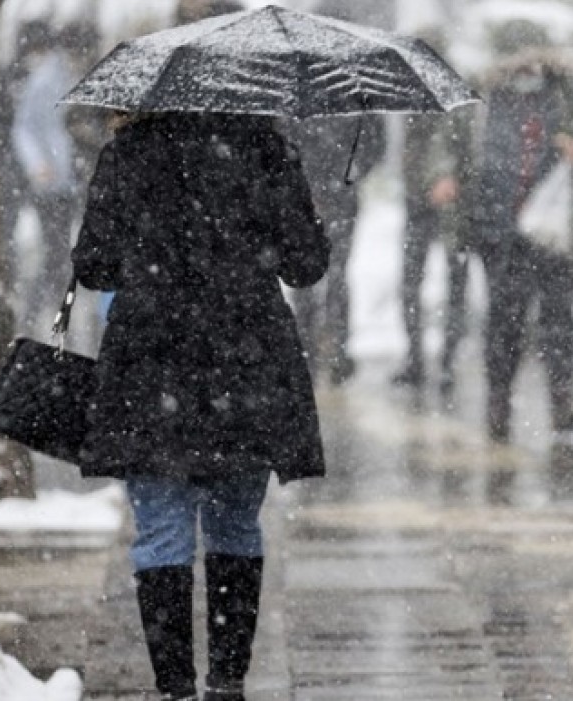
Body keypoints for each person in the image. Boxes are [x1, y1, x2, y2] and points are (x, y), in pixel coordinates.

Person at [72, 111, 330, 701]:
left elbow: (94, 265)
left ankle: (175, 688)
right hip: (247, 365)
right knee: (236, 526)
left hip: (151, 363)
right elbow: (306, 264)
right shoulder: (266, 148)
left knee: (161, 533)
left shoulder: (130, 151)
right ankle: (228, 681)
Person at [464, 19, 573, 444]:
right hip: (500, 229)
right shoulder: (483, 100)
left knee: (558, 320)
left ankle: (561, 405)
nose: (527, 71)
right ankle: (498, 404)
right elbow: (458, 149)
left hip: (557, 230)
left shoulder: (568, 95)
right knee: (503, 321)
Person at [286, 115, 386, 385]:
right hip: (307, 197)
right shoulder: (303, 99)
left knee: (336, 276)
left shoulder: (355, 98)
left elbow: (376, 143)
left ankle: (334, 351)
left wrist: (353, 171)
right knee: (307, 276)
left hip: (339, 198)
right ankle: (309, 348)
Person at [392, 103, 474, 404]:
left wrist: (447, 175)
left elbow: (459, 145)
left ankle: (446, 361)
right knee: (412, 281)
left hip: (452, 199)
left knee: (454, 279)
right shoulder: (411, 104)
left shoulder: (456, 104)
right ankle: (416, 357)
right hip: (417, 198)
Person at [8, 21, 80, 335]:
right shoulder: (46, 80)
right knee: (55, 250)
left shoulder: (71, 75)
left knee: (61, 250)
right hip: (51, 181)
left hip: (67, 179)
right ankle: (36, 317)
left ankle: (50, 313)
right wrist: (38, 163)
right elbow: (23, 127)